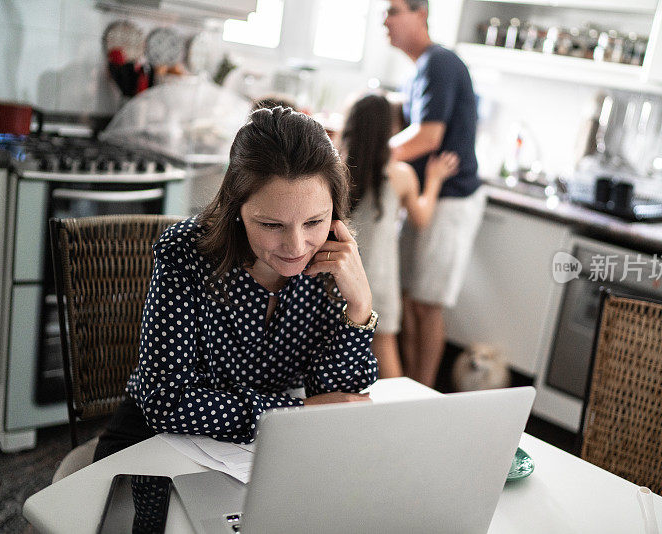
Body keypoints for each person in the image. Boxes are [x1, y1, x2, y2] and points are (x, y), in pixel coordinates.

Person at [94, 106, 379, 461]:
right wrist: (297, 412)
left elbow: (337, 400)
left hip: (262, 451)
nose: (295, 246)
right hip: (157, 443)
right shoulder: (184, 253)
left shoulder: (332, 257)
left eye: (314, 221)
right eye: (271, 225)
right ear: (236, 210)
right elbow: (166, 404)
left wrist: (359, 308)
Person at [384, 0, 486, 387]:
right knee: (410, 300)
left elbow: (429, 136)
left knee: (426, 305)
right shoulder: (421, 68)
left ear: (420, 13)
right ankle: (405, 387)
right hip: (429, 196)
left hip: (451, 198)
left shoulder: (438, 62)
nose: (385, 21)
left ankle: (421, 396)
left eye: (393, 11)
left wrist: (368, 151)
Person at [340, 93, 459, 379]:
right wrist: (434, 180)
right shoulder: (400, 175)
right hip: (379, 280)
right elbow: (422, 218)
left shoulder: (336, 170)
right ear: (391, 130)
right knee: (387, 357)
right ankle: (403, 415)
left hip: (340, 275)